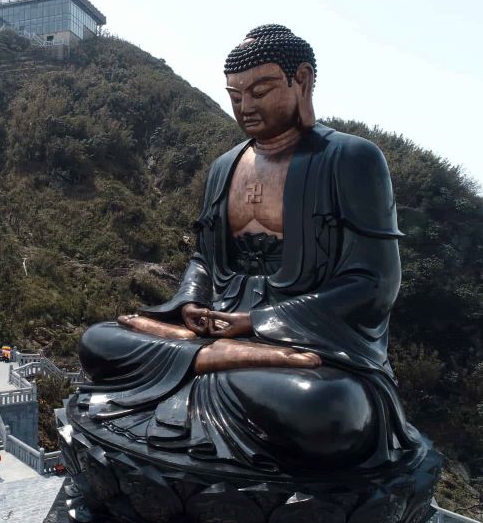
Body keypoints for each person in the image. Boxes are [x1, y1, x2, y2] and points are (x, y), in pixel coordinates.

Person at [72, 24, 430, 476]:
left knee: (327, 408)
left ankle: (200, 363)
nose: (246, 107)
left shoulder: (350, 159)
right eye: (235, 95)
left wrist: (257, 322)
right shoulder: (225, 167)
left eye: (260, 91)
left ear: (301, 80)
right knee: (98, 340)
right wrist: (191, 303)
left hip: (309, 346)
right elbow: (205, 259)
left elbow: (375, 284)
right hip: (218, 335)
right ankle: (211, 358)